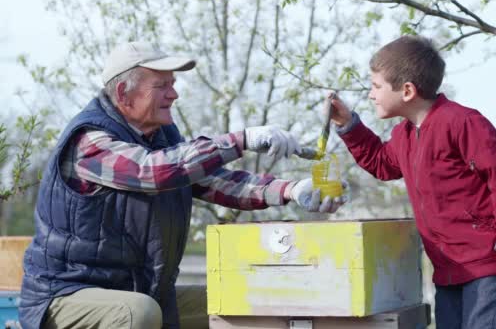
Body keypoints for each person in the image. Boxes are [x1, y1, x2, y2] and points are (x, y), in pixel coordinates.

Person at [19, 42, 347, 329]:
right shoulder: (90, 142)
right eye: (161, 85)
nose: (174, 94)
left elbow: (213, 180)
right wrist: (242, 140)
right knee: (139, 313)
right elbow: (152, 172)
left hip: (136, 289)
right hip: (66, 296)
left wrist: (290, 190)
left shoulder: (159, 139)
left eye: (173, 84)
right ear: (123, 93)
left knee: (240, 301)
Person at [329, 36, 496, 329]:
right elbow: (381, 163)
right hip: (447, 265)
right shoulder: (405, 135)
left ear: (407, 90)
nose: (371, 95)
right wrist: (348, 124)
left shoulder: (462, 123)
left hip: (485, 261)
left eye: (376, 86)